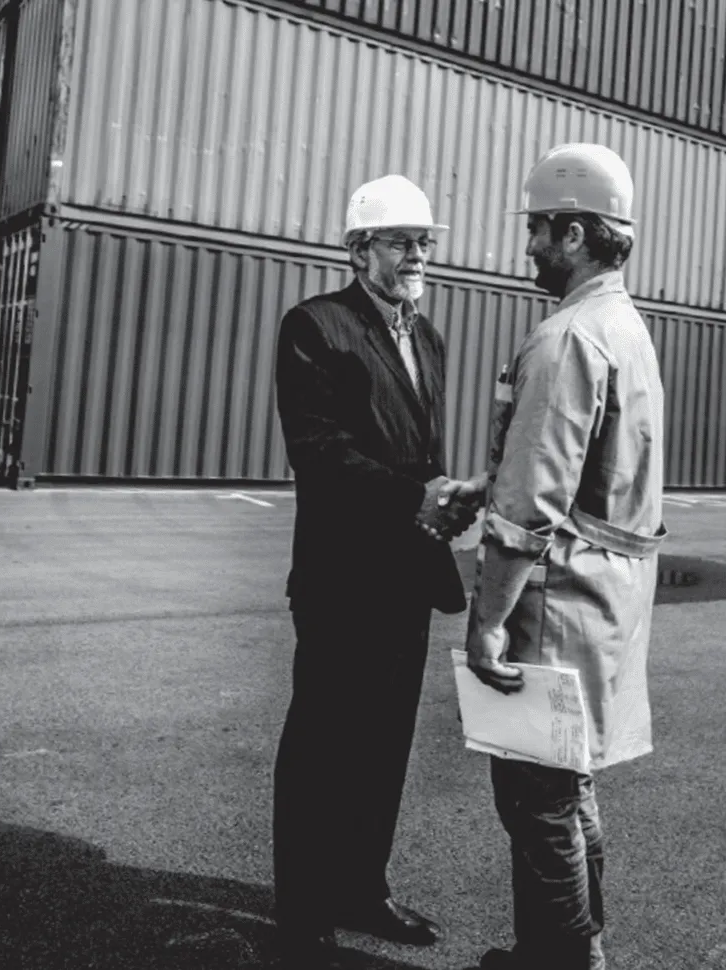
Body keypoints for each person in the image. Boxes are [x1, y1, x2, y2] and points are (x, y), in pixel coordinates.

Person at [445, 144, 667, 970]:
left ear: (574, 233)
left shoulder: (566, 338)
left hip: (554, 603)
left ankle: (563, 961)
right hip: (605, 603)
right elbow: (586, 475)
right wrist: (490, 480)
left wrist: (487, 627)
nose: (530, 244)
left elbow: (531, 510)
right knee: (570, 791)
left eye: (538, 228)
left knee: (538, 799)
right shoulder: (626, 328)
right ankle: (574, 947)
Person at [273, 174, 478, 970]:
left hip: (406, 577)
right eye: (401, 241)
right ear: (358, 249)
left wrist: (446, 500)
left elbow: (417, 450)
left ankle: (362, 886)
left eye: (425, 241)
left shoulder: (428, 338)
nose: (418, 255)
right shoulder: (315, 326)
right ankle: (302, 914)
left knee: (385, 743)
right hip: (341, 580)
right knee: (324, 743)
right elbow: (318, 454)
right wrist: (416, 492)